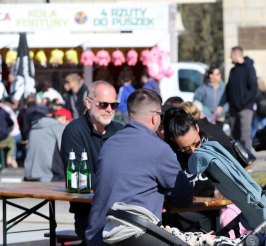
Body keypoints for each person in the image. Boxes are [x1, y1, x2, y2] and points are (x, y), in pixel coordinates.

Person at [86, 88, 194, 246]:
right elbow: (184, 198)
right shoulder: (159, 149)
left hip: (97, 236)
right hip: (132, 238)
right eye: (161, 116)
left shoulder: (109, 143)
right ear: (154, 117)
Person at [61, 80, 125, 242]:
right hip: (89, 212)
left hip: (123, 209)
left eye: (114, 105)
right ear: (89, 103)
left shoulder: (121, 130)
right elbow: (79, 178)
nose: (109, 110)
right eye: (103, 104)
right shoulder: (74, 130)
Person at [163, 107, 230, 232]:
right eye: (185, 148)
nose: (193, 152)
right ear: (173, 141)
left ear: (197, 128)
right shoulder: (170, 155)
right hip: (182, 212)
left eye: (196, 143)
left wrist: (222, 187)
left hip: (212, 212)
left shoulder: (214, 148)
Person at [217, 47, 257, 150]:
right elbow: (228, 89)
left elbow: (253, 89)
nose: (230, 57)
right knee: (234, 136)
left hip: (245, 109)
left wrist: (243, 102)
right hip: (233, 109)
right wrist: (221, 104)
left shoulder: (249, 68)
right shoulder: (233, 71)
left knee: (245, 135)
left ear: (235, 55)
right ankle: (237, 160)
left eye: (231, 55)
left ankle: (249, 162)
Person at [24, 108, 71, 182]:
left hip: (29, 175)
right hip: (52, 177)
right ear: (63, 119)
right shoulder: (60, 127)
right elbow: (67, 152)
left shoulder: (34, 127)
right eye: (69, 122)